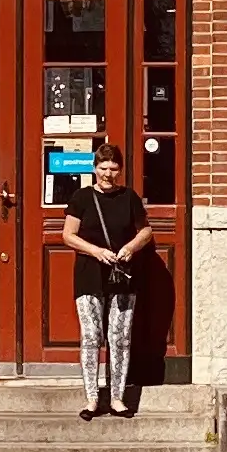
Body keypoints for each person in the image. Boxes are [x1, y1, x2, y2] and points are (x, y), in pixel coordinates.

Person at [69, 150, 156, 420]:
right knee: (92, 335)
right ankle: (92, 399)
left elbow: (146, 230)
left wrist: (131, 247)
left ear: (120, 170)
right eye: (104, 168)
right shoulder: (82, 197)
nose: (108, 174)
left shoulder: (128, 197)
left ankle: (117, 398)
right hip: (89, 274)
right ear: (95, 168)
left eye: (114, 168)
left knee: (119, 337)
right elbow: (68, 235)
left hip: (122, 274)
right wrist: (96, 251)